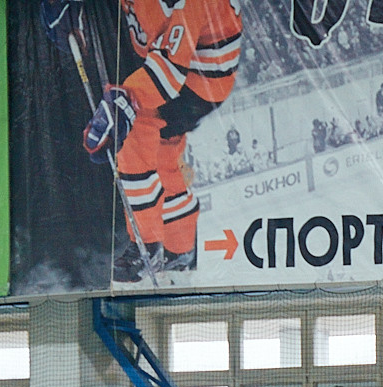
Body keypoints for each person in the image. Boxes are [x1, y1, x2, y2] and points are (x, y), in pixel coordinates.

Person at [55, 0, 244, 282]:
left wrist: (123, 103)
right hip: (170, 61)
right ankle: (180, 247)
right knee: (164, 154)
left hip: (201, 80)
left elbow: (168, 72)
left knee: (134, 128)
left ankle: (146, 244)